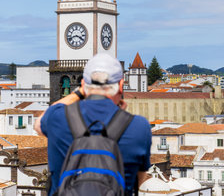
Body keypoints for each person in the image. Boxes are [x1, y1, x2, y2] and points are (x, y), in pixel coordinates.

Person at [35, 53, 152, 196]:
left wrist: (77, 93)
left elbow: (38, 124)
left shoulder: (57, 117)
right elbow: (138, 181)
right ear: (121, 86)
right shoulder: (139, 127)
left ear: (83, 84)